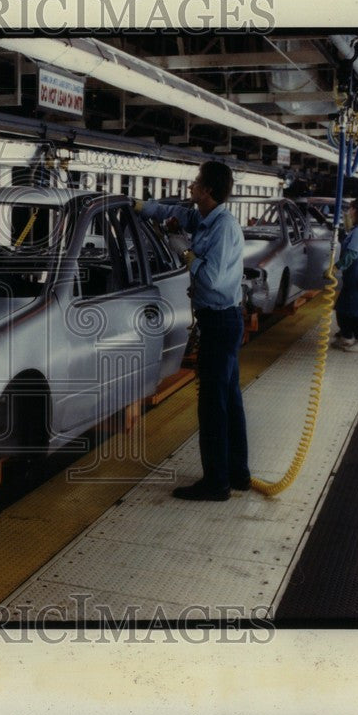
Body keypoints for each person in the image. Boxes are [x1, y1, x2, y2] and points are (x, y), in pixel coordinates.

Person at [135, 161, 249, 501]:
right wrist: (141, 208)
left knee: (213, 405)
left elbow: (211, 278)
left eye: (196, 182)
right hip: (220, 320)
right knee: (229, 399)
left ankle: (217, 483)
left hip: (220, 321)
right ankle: (237, 473)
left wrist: (183, 251)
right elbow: (172, 212)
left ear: (208, 190)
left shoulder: (224, 228)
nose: (191, 187)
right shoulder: (205, 217)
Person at [333, 198, 358, 352]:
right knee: (343, 306)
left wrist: (336, 267)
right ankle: (347, 336)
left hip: (357, 270)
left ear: (357, 210)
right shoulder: (357, 229)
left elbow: (351, 254)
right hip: (353, 270)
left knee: (353, 306)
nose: (349, 211)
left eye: (350, 209)